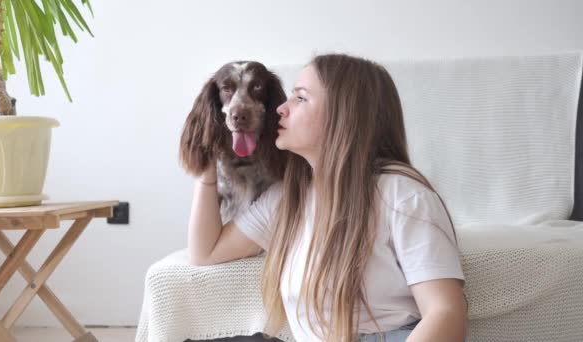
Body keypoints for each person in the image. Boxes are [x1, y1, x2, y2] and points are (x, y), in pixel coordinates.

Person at [187, 53, 467, 342]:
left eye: (300, 98)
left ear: (344, 115)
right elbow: (205, 251)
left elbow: (445, 313)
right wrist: (208, 156)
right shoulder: (288, 198)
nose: (281, 108)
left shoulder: (403, 196)